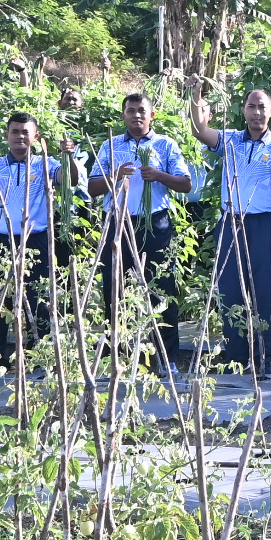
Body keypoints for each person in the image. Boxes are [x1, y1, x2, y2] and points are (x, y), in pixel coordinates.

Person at [190, 86, 271, 376]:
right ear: (244, 110)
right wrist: (195, 97)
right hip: (231, 223)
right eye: (252, 106)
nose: (257, 112)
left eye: (262, 107)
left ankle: (266, 356)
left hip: (264, 226)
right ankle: (236, 358)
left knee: (266, 294)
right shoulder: (230, 140)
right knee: (230, 293)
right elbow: (199, 131)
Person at [87, 91, 195, 352]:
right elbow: (92, 188)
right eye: (131, 111)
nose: (136, 115)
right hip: (117, 223)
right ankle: (119, 354)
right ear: (123, 115)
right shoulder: (110, 146)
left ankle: (167, 355)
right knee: (115, 287)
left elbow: (186, 184)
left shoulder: (166, 144)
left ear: (151, 115)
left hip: (155, 222)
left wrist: (159, 175)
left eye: (141, 111)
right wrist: (114, 176)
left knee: (162, 287)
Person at [0, 112, 66, 361]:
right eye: (15, 131)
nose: (20, 136)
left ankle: (39, 357)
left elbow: (68, 179)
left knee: (39, 299)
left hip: (36, 240)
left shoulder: (46, 163)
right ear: (7, 135)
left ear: (35, 137)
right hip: (1, 241)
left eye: (26, 132)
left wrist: (68, 158)